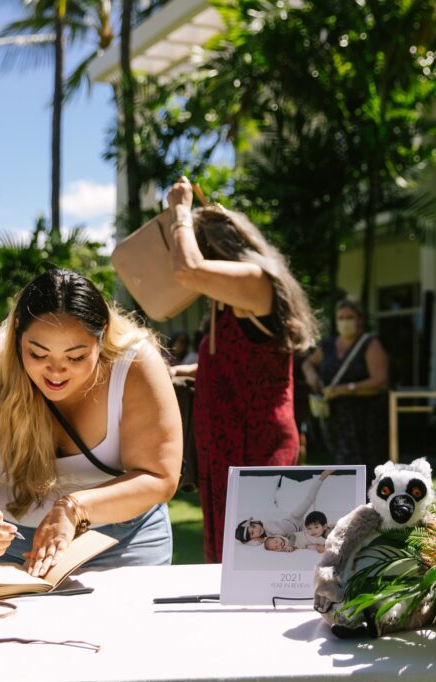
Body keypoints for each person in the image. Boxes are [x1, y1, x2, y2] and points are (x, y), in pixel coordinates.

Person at [0, 268, 182, 576]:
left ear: (102, 335)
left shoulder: (135, 365)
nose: (56, 371)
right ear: (17, 331)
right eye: (37, 353)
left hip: (124, 541)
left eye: (75, 357)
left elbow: (159, 477)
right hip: (12, 549)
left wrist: (73, 508)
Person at [167, 176, 318, 563]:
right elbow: (234, 365)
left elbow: (188, 269)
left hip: (256, 445)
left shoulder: (256, 282)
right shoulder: (229, 305)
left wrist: (181, 211)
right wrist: (178, 374)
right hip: (226, 445)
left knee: (257, 560)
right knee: (230, 566)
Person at [301, 298, 389, 469]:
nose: (345, 322)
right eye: (340, 318)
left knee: (367, 467)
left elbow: (380, 380)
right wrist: (311, 375)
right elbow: (308, 363)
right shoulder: (329, 345)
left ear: (360, 320)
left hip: (365, 418)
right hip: (335, 418)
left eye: (349, 317)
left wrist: (346, 389)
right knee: (339, 465)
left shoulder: (370, 344)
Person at [234, 470, 332, 547]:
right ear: (252, 538)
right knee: (315, 538)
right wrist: (256, 540)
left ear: (255, 523)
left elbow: (282, 533)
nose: (257, 530)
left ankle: (321, 477)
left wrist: (263, 539)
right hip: (301, 532)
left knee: (308, 500)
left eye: (254, 526)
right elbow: (249, 543)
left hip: (294, 519)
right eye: (252, 533)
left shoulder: (267, 525)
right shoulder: (260, 541)